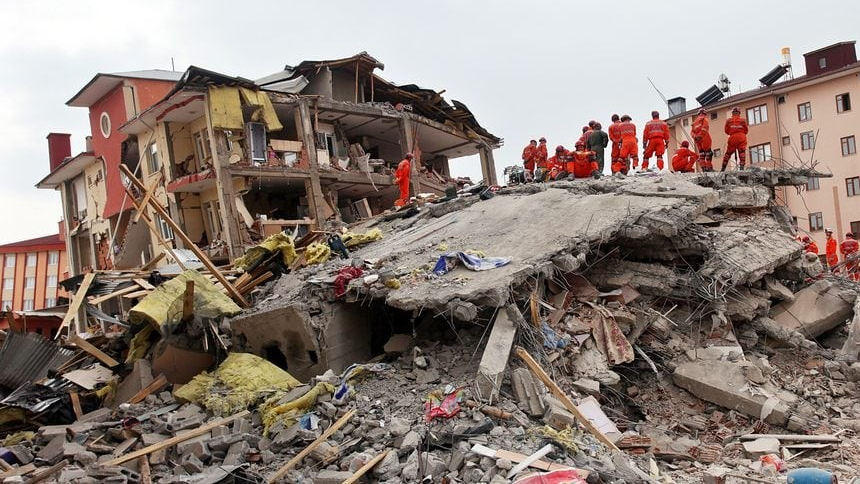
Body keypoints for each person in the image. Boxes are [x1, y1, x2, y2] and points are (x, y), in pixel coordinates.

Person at [722, 107, 749, 171]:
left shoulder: (728, 121)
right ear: (739, 113)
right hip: (741, 136)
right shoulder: (743, 120)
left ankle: (723, 168)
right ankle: (742, 167)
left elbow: (726, 131)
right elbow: (746, 131)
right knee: (742, 152)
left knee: (728, 153)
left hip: (732, 137)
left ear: (732, 113)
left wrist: (732, 132)